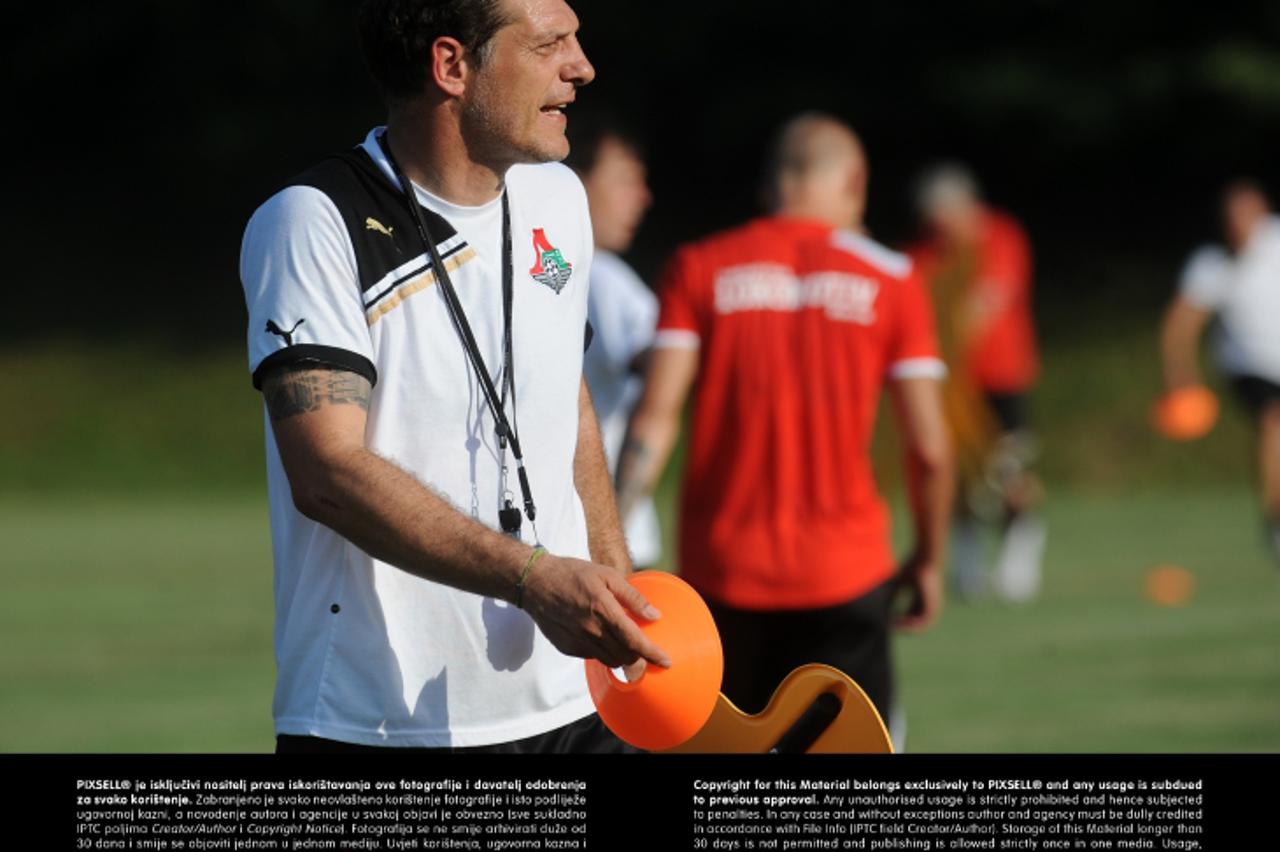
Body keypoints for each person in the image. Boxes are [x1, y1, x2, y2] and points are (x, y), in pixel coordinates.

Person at [238, 0, 669, 755]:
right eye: (549, 45)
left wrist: (613, 578)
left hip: (576, 702)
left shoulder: (558, 196)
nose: (582, 66)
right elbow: (327, 473)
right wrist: (534, 579)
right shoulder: (312, 220)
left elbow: (564, 395)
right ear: (451, 67)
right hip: (381, 722)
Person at [616, 113, 953, 722]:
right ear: (855, 181)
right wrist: (928, 557)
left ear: (771, 186)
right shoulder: (893, 278)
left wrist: (610, 544)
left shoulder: (699, 266)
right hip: (847, 574)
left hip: (722, 574)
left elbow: (653, 421)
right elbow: (929, 448)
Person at [908, 164, 1045, 603]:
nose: (941, 228)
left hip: (1002, 377)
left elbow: (983, 305)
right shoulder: (924, 254)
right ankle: (967, 562)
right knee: (959, 475)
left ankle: (1019, 553)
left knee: (1010, 471)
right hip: (952, 386)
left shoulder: (1001, 237)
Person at [1160, 179, 1280, 566]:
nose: (1238, 227)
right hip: (1250, 367)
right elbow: (1180, 325)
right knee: (1274, 422)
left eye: (1245, 216)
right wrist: (1181, 377)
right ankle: (1275, 518)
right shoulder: (1211, 265)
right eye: (1231, 219)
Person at [565, 115, 663, 568]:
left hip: (564, 528)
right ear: (575, 182)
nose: (642, 198)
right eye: (625, 181)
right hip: (614, 537)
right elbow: (666, 365)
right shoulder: (605, 276)